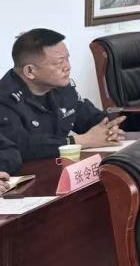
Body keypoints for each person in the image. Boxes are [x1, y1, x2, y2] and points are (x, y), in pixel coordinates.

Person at [0, 28, 121, 167]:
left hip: (61, 168)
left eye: (67, 59)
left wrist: (109, 129)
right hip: (29, 174)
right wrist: (81, 141)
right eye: (59, 63)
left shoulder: (61, 88)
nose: (67, 67)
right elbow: (23, 147)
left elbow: (89, 118)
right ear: (30, 71)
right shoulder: (5, 100)